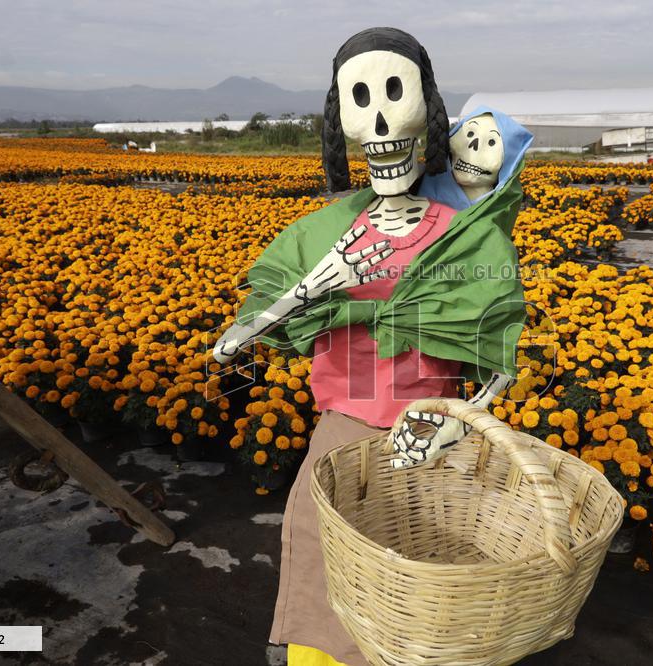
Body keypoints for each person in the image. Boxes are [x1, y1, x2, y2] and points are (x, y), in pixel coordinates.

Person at [213, 28, 529, 666]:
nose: (381, 122)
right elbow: (231, 345)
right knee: (319, 546)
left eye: (394, 94)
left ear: (427, 112)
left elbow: (500, 359)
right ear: (343, 120)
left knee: (413, 575)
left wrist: (455, 424)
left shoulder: (466, 238)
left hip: (427, 432)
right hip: (343, 427)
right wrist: (312, 286)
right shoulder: (325, 232)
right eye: (362, 99)